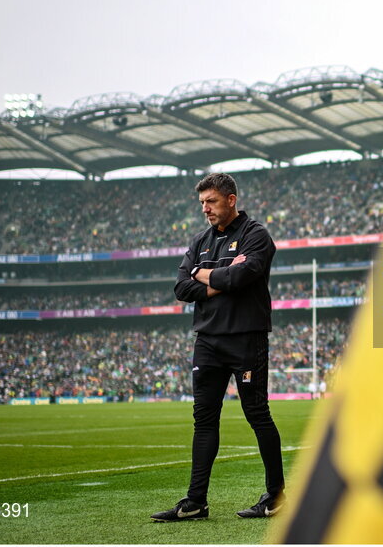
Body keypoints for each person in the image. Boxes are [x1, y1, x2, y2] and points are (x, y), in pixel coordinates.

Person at [152, 172, 285, 522]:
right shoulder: (200, 240)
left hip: (246, 337)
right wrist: (213, 276)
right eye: (202, 203)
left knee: (257, 415)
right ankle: (196, 502)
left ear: (231, 199)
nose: (205, 209)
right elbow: (181, 288)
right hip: (207, 341)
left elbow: (241, 278)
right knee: (204, 419)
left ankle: (276, 496)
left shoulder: (256, 235)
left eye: (211, 202)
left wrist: (203, 273)